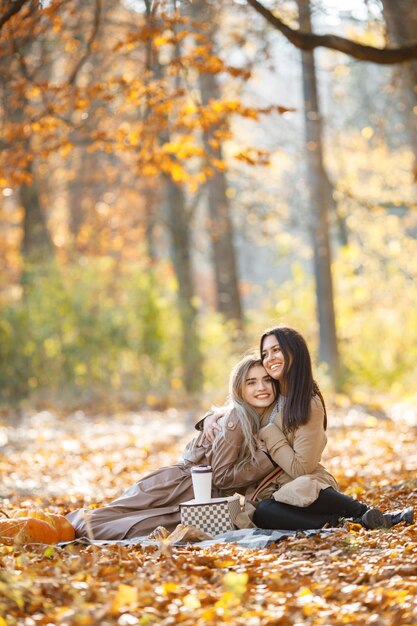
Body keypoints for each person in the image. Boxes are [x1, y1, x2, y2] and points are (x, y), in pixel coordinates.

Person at [203, 326, 414, 531]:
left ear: (295, 353)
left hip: (307, 485)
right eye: (265, 353)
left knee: (303, 486)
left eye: (276, 350)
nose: (270, 358)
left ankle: (372, 514)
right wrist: (210, 418)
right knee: (263, 511)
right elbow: (239, 405)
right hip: (271, 492)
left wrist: (268, 433)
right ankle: (342, 522)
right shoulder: (269, 391)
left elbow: (300, 468)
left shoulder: (308, 403)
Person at [66, 355, 278, 540]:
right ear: (239, 388)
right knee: (114, 524)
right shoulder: (238, 419)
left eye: (266, 380)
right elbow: (222, 476)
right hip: (180, 487)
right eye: (251, 382)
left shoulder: (249, 417)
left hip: (197, 493)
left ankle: (70, 524)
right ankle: (62, 526)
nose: (261, 387)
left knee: (125, 522)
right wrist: (266, 458)